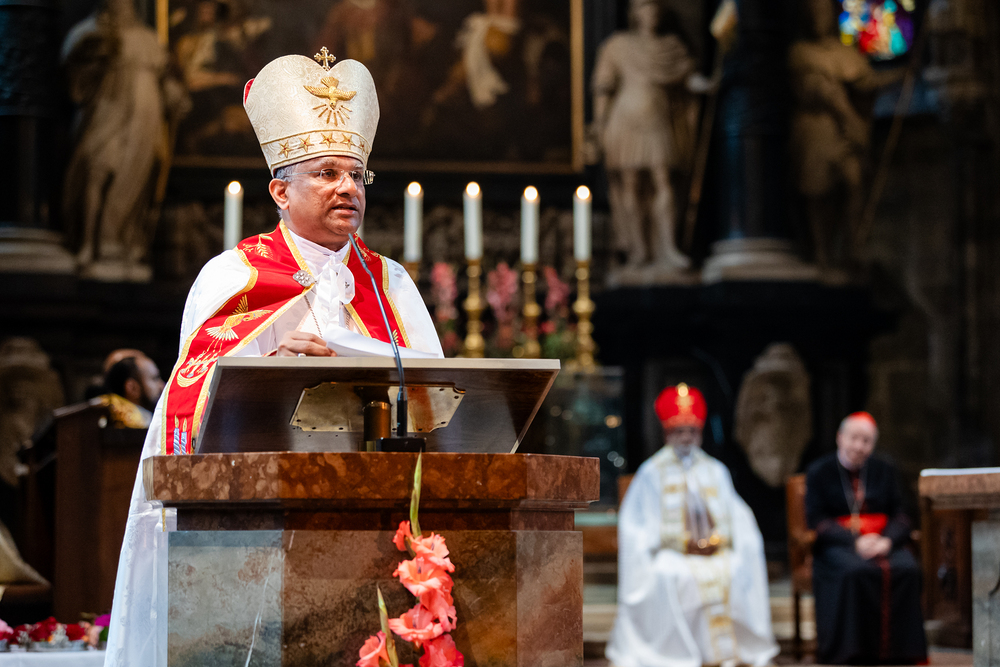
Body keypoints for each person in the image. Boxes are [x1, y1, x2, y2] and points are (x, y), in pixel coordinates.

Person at [104, 50, 443, 667]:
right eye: (327, 173)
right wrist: (268, 370)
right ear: (281, 191)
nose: (348, 188)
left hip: (376, 525)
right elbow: (189, 409)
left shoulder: (391, 282)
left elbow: (439, 402)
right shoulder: (231, 276)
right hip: (253, 536)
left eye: (356, 174)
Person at [607, 383, 778, 667]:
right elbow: (635, 525)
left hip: (715, 551)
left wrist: (726, 539)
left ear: (700, 433)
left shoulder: (716, 470)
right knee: (670, 574)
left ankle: (726, 654)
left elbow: (739, 516)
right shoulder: (651, 473)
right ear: (667, 434)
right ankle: (675, 654)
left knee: (736, 568)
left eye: (691, 431)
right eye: (679, 431)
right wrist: (671, 540)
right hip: (672, 553)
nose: (686, 437)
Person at [806, 411, 927, 664]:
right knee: (855, 571)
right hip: (839, 544)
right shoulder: (819, 471)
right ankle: (853, 653)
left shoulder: (885, 469)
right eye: (854, 438)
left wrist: (887, 541)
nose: (859, 446)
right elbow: (816, 519)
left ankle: (901, 653)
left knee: (908, 569)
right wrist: (855, 541)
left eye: (866, 441)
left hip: (882, 541)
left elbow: (903, 514)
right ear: (840, 438)